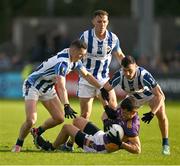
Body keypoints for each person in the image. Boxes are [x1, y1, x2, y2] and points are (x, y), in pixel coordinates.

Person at [12, 39, 101, 152]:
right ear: (72, 50)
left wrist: (101, 88)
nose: (82, 57)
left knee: (59, 118)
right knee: (31, 120)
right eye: (80, 54)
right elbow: (61, 86)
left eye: (83, 55)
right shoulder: (62, 62)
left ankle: (37, 132)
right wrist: (66, 105)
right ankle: (18, 144)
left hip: (48, 88)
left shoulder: (74, 59)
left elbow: (87, 75)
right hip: (33, 85)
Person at [101, 55, 170, 155]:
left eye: (130, 70)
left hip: (149, 95)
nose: (127, 73)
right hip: (133, 98)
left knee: (161, 115)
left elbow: (160, 96)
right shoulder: (119, 75)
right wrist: (107, 107)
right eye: (125, 70)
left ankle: (165, 145)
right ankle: (118, 141)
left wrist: (152, 113)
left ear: (136, 66)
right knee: (105, 116)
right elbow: (103, 90)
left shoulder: (143, 75)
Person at [33, 97, 141, 154]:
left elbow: (137, 150)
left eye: (129, 113)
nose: (126, 115)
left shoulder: (131, 127)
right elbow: (104, 114)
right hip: (102, 136)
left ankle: (51, 148)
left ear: (134, 112)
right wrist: (106, 122)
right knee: (77, 120)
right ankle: (68, 146)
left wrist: (121, 144)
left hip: (99, 147)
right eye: (124, 112)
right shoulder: (122, 109)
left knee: (66, 128)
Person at [78, 9, 125, 119]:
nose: (102, 24)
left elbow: (119, 55)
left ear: (107, 22)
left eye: (104, 21)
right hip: (86, 79)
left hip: (104, 79)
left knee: (113, 108)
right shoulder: (85, 36)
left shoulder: (113, 38)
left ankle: (108, 135)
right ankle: (75, 136)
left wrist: (131, 68)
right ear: (93, 22)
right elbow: (77, 55)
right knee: (85, 115)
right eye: (99, 21)